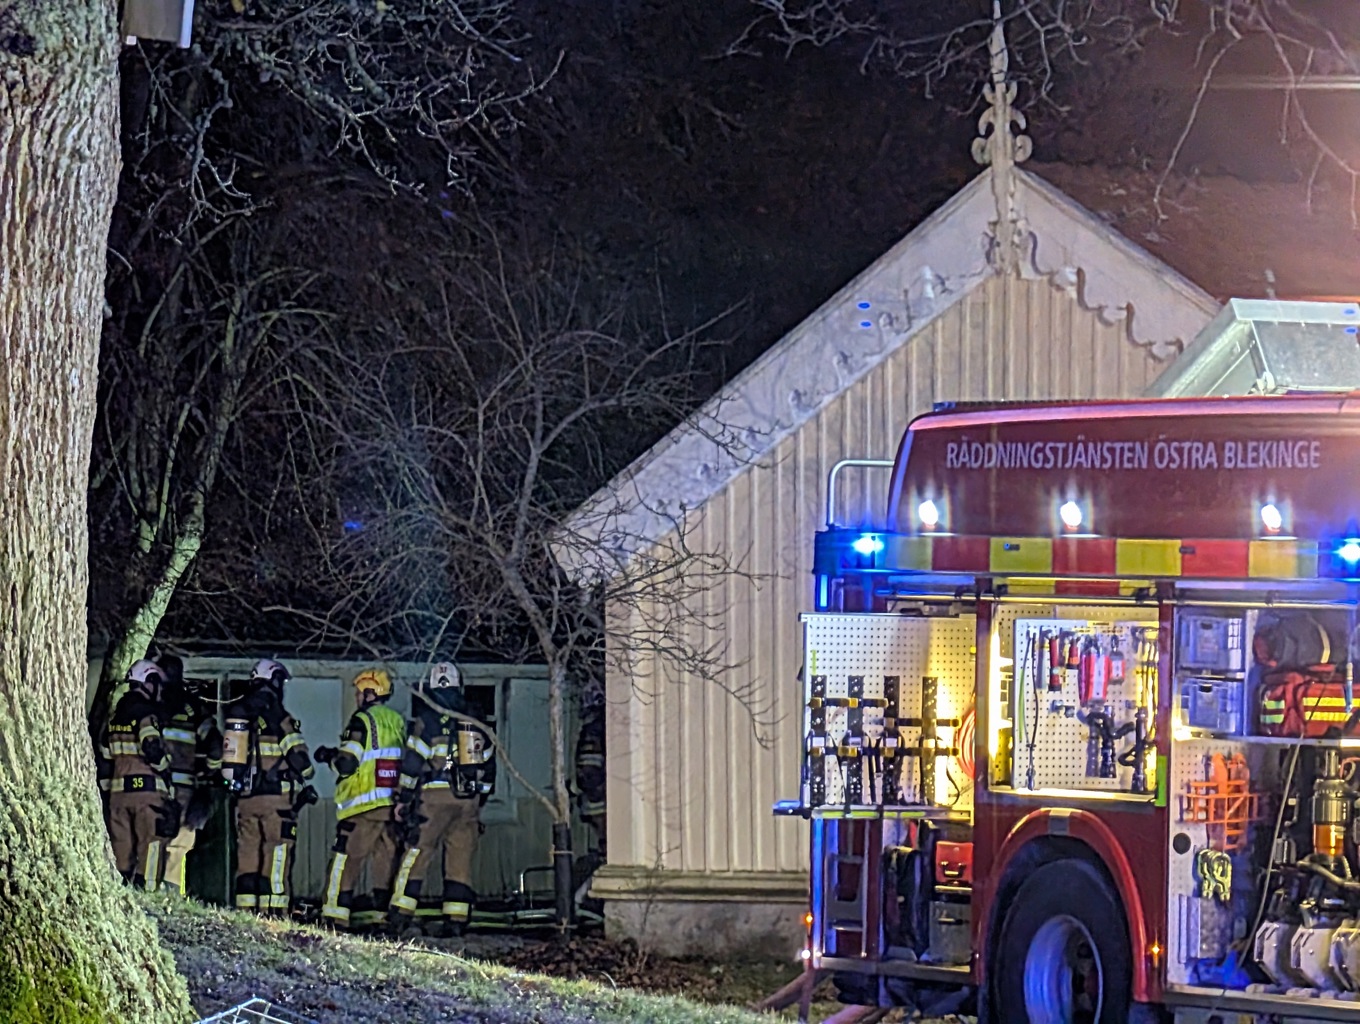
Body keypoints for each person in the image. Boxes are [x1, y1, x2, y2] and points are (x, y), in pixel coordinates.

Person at [389, 662, 495, 936]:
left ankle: (400, 916)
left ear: (433, 687)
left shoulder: (428, 718)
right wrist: (477, 802)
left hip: (433, 799)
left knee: (417, 853)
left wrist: (402, 799)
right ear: (459, 685)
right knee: (459, 860)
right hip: (467, 802)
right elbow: (488, 766)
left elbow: (412, 763)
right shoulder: (474, 719)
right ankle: (456, 922)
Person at [316, 667, 407, 931]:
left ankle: (334, 916)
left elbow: (348, 763)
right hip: (391, 807)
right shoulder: (397, 721)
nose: (356, 698)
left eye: (359, 693)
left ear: (370, 693)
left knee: (346, 860)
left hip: (362, 807)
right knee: (386, 860)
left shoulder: (362, 720)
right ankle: (382, 917)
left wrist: (328, 757)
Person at [222, 658, 316, 915]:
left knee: (248, 856)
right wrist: (306, 772)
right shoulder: (281, 718)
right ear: (274, 681)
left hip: (246, 799)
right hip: (277, 803)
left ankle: (246, 912)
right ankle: (273, 913)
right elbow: (302, 763)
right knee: (277, 853)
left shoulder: (239, 714)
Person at [104, 659, 180, 888]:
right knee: (152, 845)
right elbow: (152, 749)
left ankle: (121, 895)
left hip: (118, 796)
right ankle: (147, 896)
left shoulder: (115, 719)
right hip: (148, 795)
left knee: (121, 848)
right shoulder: (147, 715)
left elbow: (105, 759)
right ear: (151, 682)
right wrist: (166, 771)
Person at [158, 653, 224, 896]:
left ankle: (145, 897)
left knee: (150, 841)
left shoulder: (150, 703)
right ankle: (173, 898)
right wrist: (211, 768)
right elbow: (216, 744)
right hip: (184, 788)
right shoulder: (194, 707)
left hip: (152, 787)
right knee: (178, 846)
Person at [574, 683, 606, 859]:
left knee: (606, 839)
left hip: (599, 800)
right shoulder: (607, 729)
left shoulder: (593, 731)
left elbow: (589, 768)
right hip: (603, 798)